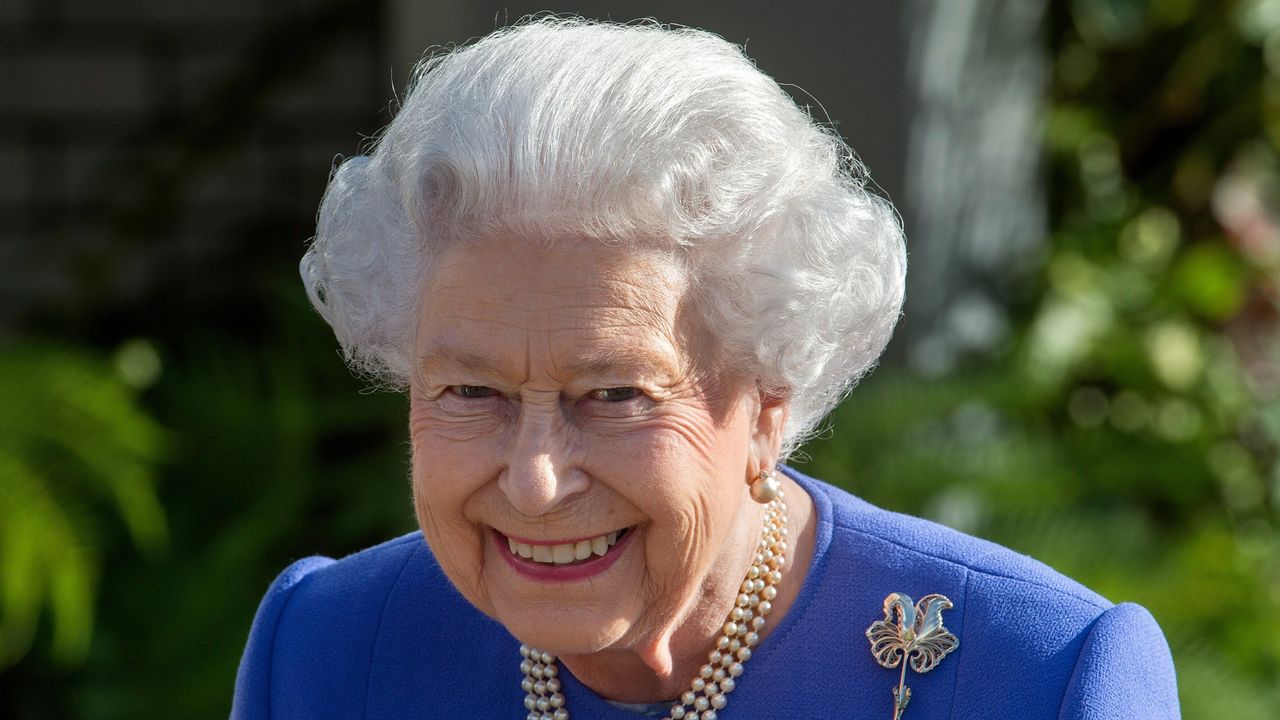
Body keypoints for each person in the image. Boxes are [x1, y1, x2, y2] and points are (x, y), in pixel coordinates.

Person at [231, 18, 1180, 720]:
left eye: (614, 396)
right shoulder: (326, 652)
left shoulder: (1039, 678)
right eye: (470, 392)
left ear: (769, 404)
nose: (533, 480)